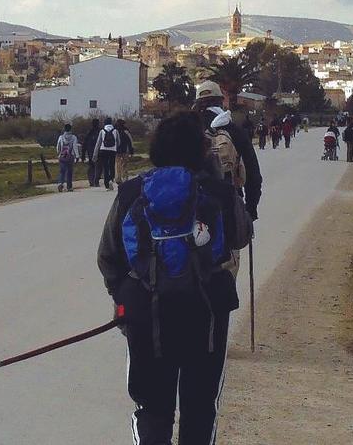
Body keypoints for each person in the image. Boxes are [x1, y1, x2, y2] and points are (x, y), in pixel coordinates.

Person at [98, 112, 250, 445]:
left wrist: (122, 296)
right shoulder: (217, 191)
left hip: (146, 314)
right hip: (206, 312)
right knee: (199, 408)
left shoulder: (132, 191)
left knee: (152, 407)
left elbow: (108, 256)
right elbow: (240, 236)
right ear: (200, 150)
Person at [193, 80, 262, 221]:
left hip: (194, 208)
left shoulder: (188, 128)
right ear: (221, 101)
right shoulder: (234, 130)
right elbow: (253, 175)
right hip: (229, 205)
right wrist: (251, 210)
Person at [93, 117, 120, 190]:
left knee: (105, 167)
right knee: (111, 165)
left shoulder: (102, 131)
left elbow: (98, 143)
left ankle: (106, 184)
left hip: (103, 150)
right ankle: (111, 179)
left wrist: (95, 154)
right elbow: (118, 142)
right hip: (112, 151)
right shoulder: (115, 131)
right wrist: (115, 148)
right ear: (111, 123)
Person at [55, 123, 79, 192]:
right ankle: (69, 187)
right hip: (70, 156)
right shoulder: (74, 137)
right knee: (69, 171)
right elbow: (75, 147)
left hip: (62, 156)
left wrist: (59, 153)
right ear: (70, 129)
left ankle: (60, 183)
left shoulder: (61, 137)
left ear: (64, 129)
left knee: (62, 171)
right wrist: (77, 156)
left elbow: (58, 147)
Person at [81, 119, 101, 187]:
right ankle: (96, 181)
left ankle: (91, 181)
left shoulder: (89, 132)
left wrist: (83, 155)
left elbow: (84, 144)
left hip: (90, 152)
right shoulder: (100, 132)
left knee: (91, 167)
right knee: (98, 167)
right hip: (99, 152)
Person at [115, 119, 135, 185]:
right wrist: (131, 150)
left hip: (117, 151)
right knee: (125, 165)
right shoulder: (126, 131)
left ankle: (118, 178)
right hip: (125, 151)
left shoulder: (115, 131)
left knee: (118, 164)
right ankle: (125, 178)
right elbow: (130, 141)